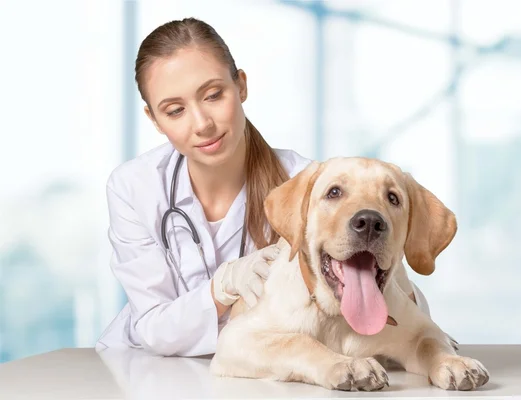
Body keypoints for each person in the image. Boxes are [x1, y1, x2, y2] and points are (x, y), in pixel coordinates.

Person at [95, 17, 430, 357]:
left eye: (213, 95)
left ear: (240, 85)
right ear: (154, 119)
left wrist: (388, 274)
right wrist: (222, 287)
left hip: (265, 368)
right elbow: (154, 329)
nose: (202, 124)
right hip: (142, 366)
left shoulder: (306, 186)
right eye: (175, 110)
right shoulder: (134, 187)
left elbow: (394, 322)